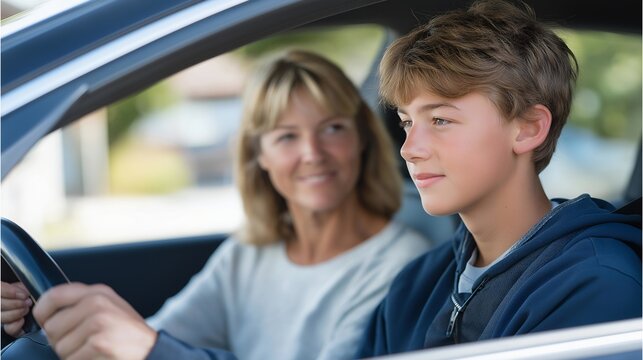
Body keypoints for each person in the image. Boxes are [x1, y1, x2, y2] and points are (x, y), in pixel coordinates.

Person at [1, 50, 432, 360]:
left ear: (361, 139)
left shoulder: (399, 261)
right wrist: (48, 323)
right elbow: (154, 335)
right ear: (259, 156)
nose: (313, 153)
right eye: (286, 136)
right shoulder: (249, 254)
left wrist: (146, 348)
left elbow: (152, 348)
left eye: (333, 128)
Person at [355, 0, 642, 357]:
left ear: (528, 129)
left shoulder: (598, 284)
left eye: (440, 120)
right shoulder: (415, 284)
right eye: (407, 122)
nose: (409, 148)